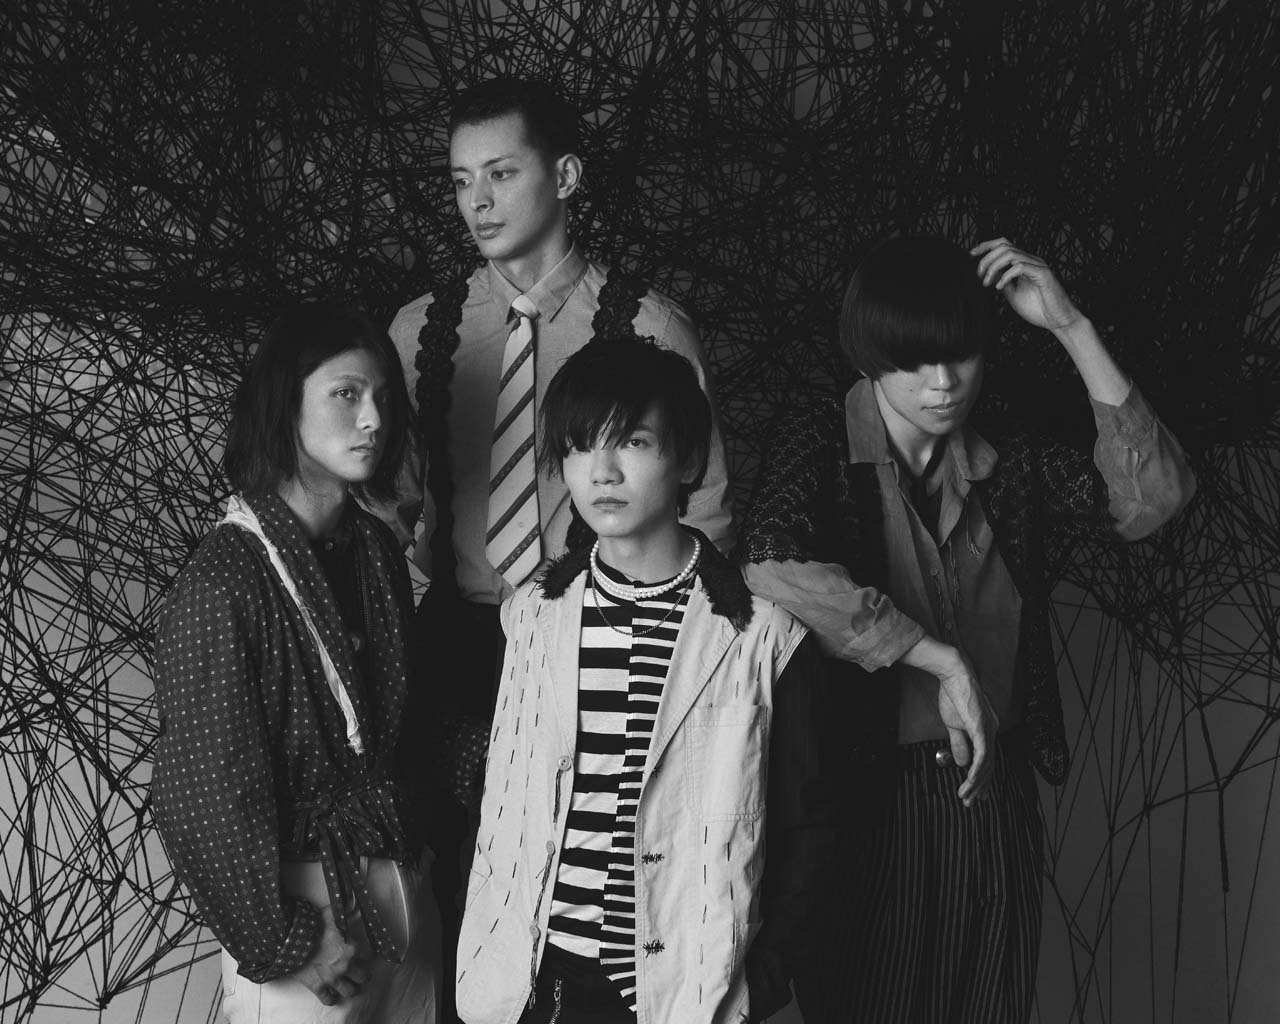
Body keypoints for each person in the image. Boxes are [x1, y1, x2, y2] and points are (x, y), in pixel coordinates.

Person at [740, 236, 1196, 1024]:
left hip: (994, 789)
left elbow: (1153, 499)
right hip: (863, 801)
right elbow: (770, 563)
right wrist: (936, 658)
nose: (944, 382)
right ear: (869, 358)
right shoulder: (821, 440)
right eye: (915, 362)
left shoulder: (1005, 454)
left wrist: (1072, 327)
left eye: (961, 355)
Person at [384, 77, 734, 1018]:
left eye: (501, 173)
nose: (479, 201)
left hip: (601, 643)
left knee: (589, 915)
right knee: (463, 914)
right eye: (461, 181)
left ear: (567, 175)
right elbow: (389, 516)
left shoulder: (651, 328)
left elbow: (708, 517)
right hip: (455, 649)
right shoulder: (420, 332)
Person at [455, 336, 836, 1024]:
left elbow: (809, 834)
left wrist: (761, 983)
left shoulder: (766, 639)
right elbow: (506, 799)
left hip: (686, 990)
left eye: (632, 442)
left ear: (687, 459)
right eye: (580, 447)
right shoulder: (530, 618)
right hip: (538, 982)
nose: (602, 472)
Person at [152, 302, 442, 1023]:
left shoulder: (375, 551)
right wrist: (287, 942)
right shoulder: (223, 580)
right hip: (307, 911)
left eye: (383, 397)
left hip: (407, 890)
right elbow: (202, 791)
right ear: (286, 404)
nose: (372, 419)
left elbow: (411, 727)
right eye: (346, 393)